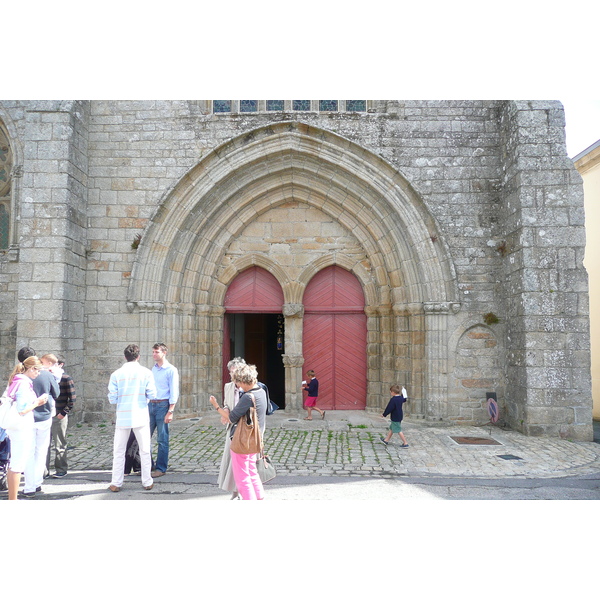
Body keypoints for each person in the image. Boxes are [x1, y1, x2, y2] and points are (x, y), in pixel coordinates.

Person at [209, 363, 267, 500]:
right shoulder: (261, 391)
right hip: (256, 437)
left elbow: (231, 418)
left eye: (238, 382)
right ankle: (260, 498)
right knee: (252, 470)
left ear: (242, 381)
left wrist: (216, 406)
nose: (238, 386)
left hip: (243, 440)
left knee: (242, 476)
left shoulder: (247, 397)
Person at [107, 344, 157, 492]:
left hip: (123, 416)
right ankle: (147, 481)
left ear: (125, 357)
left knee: (119, 451)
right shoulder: (146, 372)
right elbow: (153, 394)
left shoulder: (116, 374)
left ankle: (116, 482)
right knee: (145, 450)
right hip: (140, 415)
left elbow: (112, 398)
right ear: (138, 356)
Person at [3, 357, 48, 500]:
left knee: (15, 463)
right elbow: (22, 409)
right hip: (21, 426)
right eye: (38, 370)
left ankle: (12, 498)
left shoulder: (17, 380)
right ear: (31, 369)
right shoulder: (23, 383)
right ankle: (13, 500)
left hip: (17, 426)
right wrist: (38, 402)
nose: (39, 374)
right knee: (17, 465)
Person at [20, 349, 59, 498]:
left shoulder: (20, 376)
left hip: (29, 417)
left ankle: (30, 486)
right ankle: (36, 483)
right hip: (43, 416)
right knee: (41, 451)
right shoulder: (47, 374)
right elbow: (56, 393)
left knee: (29, 452)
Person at [213, 357, 246, 499]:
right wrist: (225, 411)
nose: (232, 376)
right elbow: (227, 404)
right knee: (232, 459)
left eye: (235, 372)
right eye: (230, 372)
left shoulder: (249, 386)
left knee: (245, 461)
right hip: (232, 427)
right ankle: (235, 489)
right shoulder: (228, 387)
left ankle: (246, 490)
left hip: (246, 428)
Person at [149, 342, 179, 477]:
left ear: (164, 353)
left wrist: (170, 410)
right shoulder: (153, 369)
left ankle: (161, 468)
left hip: (163, 405)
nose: (154, 354)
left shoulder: (171, 370)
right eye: (153, 352)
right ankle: (148, 466)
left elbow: (174, 391)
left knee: (162, 438)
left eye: (157, 352)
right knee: (144, 437)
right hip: (151, 405)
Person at [46, 355, 76, 478]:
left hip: (59, 415)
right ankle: (43, 471)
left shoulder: (66, 378)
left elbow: (72, 398)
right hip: (48, 414)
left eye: (54, 364)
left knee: (60, 444)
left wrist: (63, 413)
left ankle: (61, 469)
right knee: (45, 445)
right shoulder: (47, 377)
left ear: (60, 365)